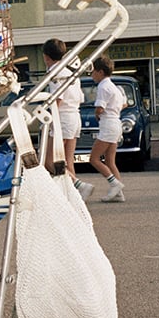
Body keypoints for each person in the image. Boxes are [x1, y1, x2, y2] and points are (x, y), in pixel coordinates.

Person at [42, 38, 93, 201]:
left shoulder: (56, 72)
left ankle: (78, 185)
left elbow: (58, 99)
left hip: (62, 117)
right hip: (74, 116)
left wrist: (47, 116)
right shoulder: (70, 71)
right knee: (67, 161)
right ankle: (73, 196)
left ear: (46, 56)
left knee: (49, 161)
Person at [90, 56, 126, 202]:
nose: (92, 75)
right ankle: (118, 194)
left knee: (94, 159)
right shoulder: (114, 87)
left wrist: (97, 115)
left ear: (100, 72)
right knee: (110, 161)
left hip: (107, 125)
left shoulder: (103, 87)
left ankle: (115, 184)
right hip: (116, 123)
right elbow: (124, 104)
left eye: (93, 72)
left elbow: (99, 108)